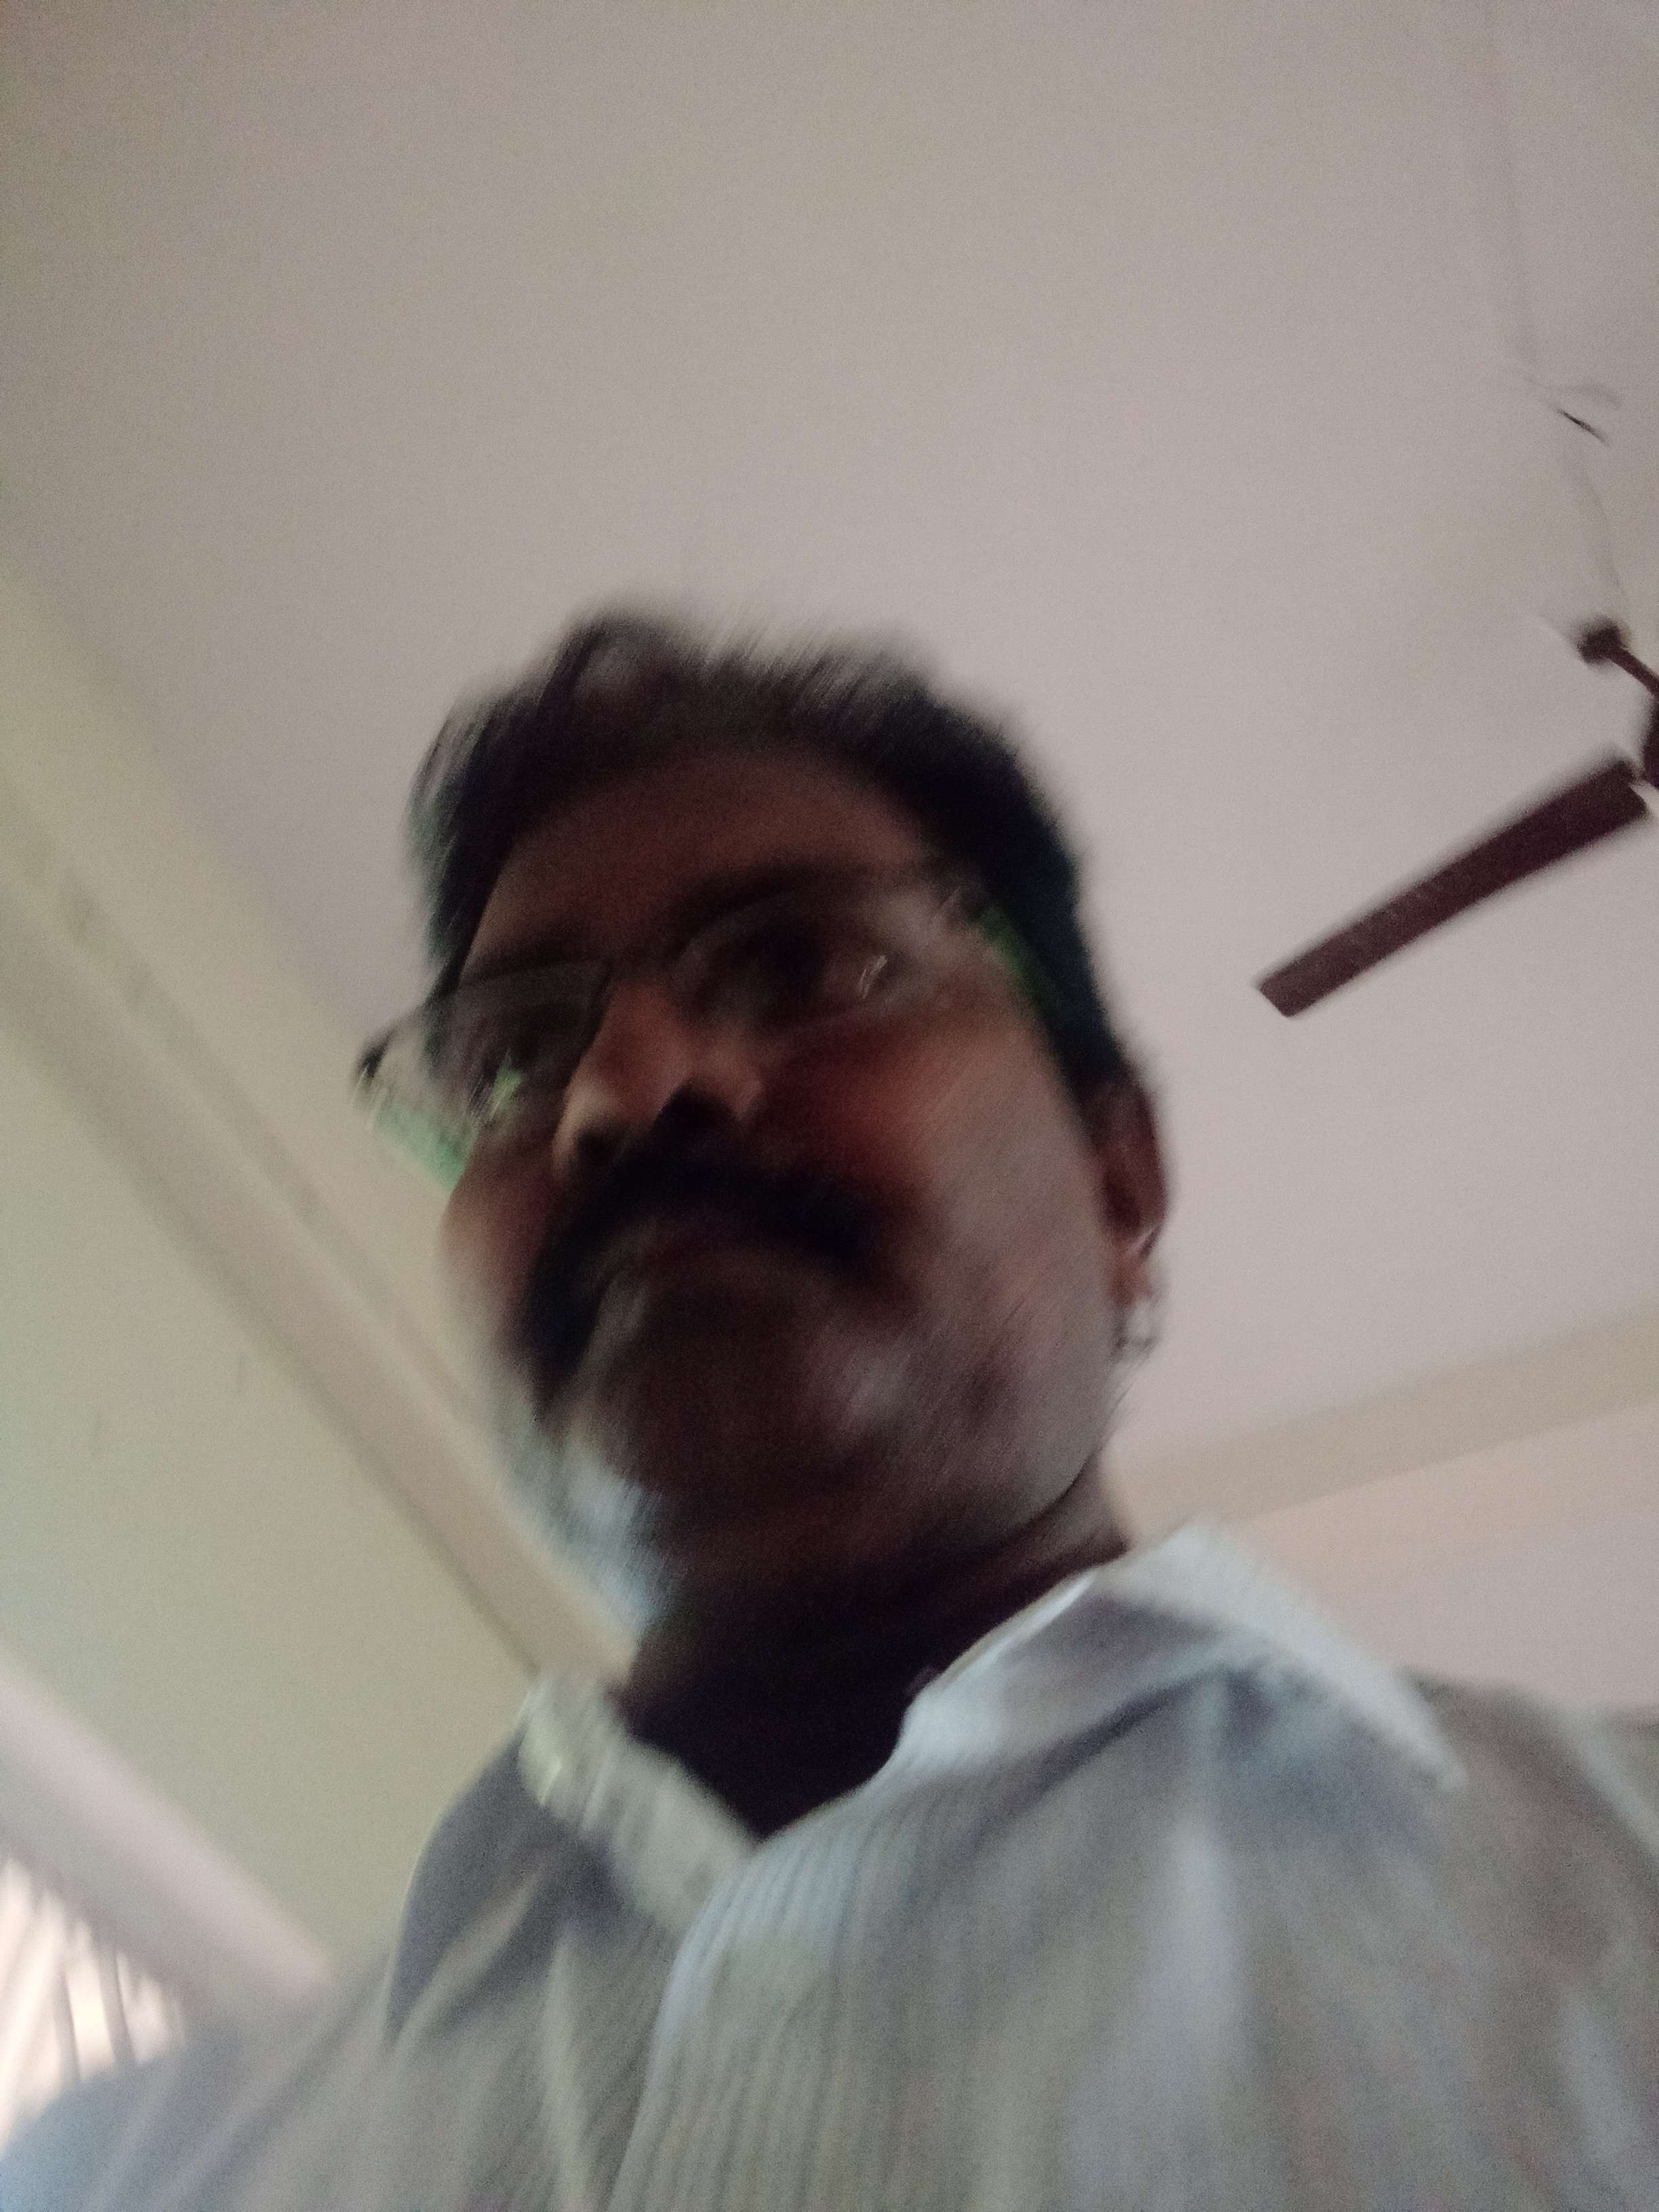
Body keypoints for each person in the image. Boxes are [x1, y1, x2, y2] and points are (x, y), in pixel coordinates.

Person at [5, 613, 1657, 2210]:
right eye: (511, 1060)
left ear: (1118, 1181)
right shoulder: (125, 2172)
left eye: (799, 962)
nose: (617, 1095)